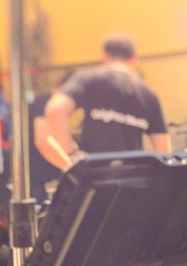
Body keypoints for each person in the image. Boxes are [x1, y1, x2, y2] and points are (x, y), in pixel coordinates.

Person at [42, 33, 170, 170]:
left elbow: (55, 111)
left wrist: (72, 155)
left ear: (105, 56)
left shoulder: (90, 79)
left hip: (94, 175)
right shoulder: (149, 95)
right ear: (134, 60)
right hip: (132, 177)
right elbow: (164, 152)